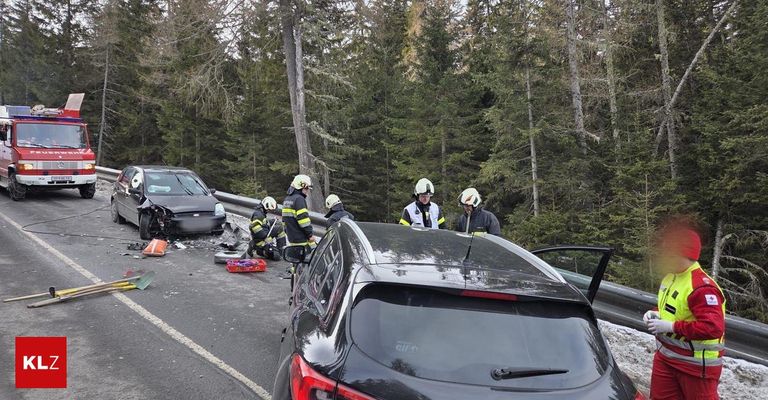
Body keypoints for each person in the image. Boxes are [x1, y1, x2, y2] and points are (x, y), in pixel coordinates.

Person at [644, 222, 725, 400]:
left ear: (683, 254)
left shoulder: (702, 288)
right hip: (666, 357)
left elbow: (712, 327)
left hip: (695, 366)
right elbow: (673, 308)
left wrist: (671, 327)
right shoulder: (671, 276)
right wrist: (655, 313)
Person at [247, 196, 286, 261]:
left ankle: (281, 250)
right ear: (266, 206)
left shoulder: (261, 213)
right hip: (260, 240)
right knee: (276, 257)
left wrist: (273, 220)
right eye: (269, 209)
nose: (270, 211)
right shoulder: (259, 214)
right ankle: (259, 250)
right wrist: (266, 237)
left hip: (263, 236)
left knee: (279, 228)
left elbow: (264, 224)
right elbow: (255, 227)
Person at [282, 174, 315, 248]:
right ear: (301, 186)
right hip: (302, 240)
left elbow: (284, 221)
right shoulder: (299, 199)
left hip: (292, 240)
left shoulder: (287, 199)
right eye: (306, 188)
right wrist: (310, 235)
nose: (307, 191)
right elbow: (304, 220)